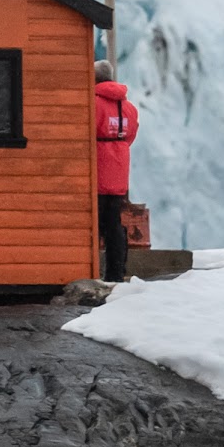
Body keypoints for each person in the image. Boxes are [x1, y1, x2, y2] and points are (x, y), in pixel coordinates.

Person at [94, 60, 141, 282]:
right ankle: (116, 272)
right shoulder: (129, 107)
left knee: (95, 222)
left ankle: (94, 270)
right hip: (119, 167)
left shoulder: (93, 103)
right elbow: (131, 135)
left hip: (98, 167)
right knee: (114, 223)